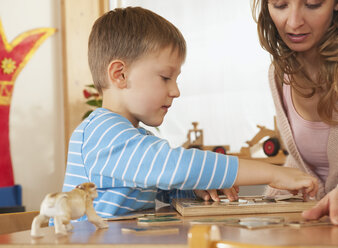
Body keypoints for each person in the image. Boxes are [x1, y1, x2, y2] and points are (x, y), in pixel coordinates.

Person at [62, 6, 318, 219]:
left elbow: (163, 184)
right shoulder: (103, 134)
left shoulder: (135, 139)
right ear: (120, 74)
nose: (175, 91)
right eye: (165, 77)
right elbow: (175, 167)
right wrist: (273, 173)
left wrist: (192, 190)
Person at [252, 0, 338, 225]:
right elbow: (308, 165)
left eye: (312, 4)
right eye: (280, 5)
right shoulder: (280, 74)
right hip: (321, 230)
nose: (294, 22)